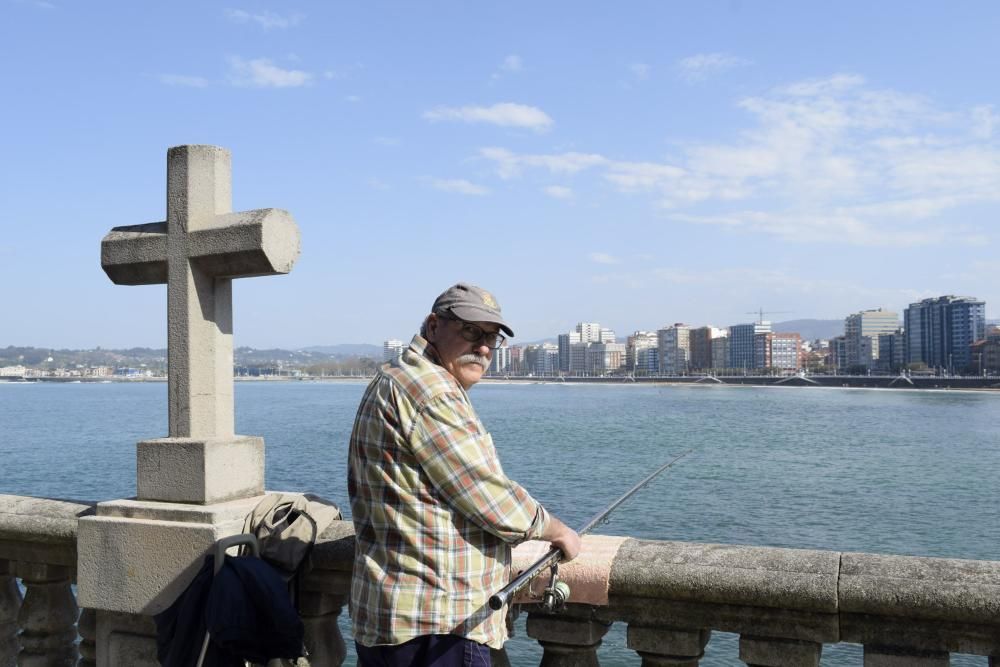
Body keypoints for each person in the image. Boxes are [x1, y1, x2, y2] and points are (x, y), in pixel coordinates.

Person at [348, 282, 581, 666]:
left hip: (392, 616)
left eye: (492, 338)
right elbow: (489, 498)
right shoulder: (432, 390)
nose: (484, 347)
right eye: (471, 331)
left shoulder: (394, 376)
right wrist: (557, 531)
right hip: (439, 622)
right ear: (434, 325)